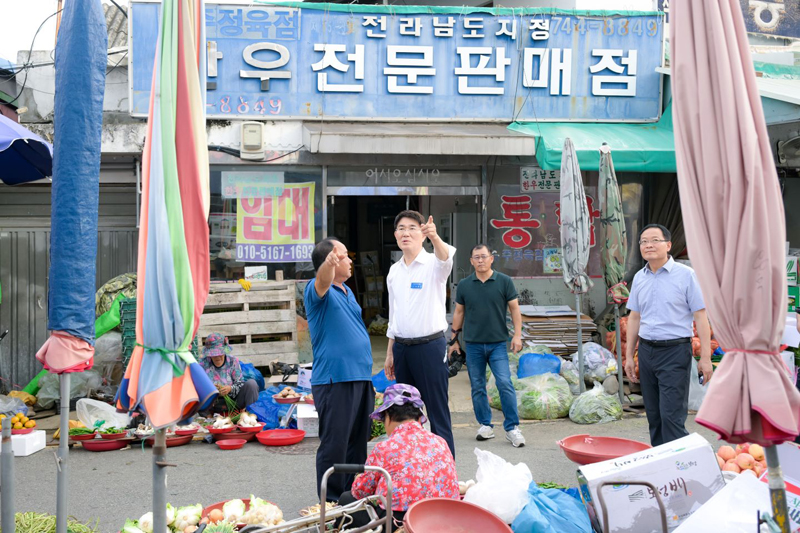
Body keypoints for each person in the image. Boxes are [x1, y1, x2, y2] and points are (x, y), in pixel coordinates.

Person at [624, 224, 713, 447]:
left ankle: (681, 470)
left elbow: (701, 317)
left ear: (668, 245)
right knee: (654, 416)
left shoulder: (686, 276)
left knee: (671, 417)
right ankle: (660, 466)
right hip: (646, 351)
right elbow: (634, 317)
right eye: (643, 241)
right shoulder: (639, 277)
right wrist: (628, 357)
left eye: (655, 240)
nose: (648, 245)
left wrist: (705, 358)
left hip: (674, 351)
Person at [305, 237, 375, 501]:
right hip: (336, 379)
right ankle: (331, 501)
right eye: (345, 256)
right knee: (335, 444)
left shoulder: (348, 291)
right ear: (331, 260)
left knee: (357, 444)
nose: (350, 260)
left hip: (360, 377)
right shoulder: (317, 291)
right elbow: (323, 280)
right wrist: (328, 265)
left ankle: (351, 496)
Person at [384, 210, 456, 457]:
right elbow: (394, 315)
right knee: (404, 413)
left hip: (429, 347)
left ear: (422, 234)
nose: (406, 233)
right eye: (401, 228)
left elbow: (446, 259)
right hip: (402, 349)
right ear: (395, 235)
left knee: (437, 410)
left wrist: (436, 238)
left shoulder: (434, 264)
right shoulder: (394, 271)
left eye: (412, 228)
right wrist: (390, 352)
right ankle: (411, 465)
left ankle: (446, 469)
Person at [339, 384, 459, 531]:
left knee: (346, 499)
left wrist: (360, 480)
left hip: (402, 524)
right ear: (418, 417)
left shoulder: (385, 447)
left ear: (388, 416)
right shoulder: (441, 442)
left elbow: (360, 492)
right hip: (444, 519)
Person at [449, 244, 526, 447]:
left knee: (504, 383)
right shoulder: (465, 285)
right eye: (476, 257)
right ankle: (485, 425)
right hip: (473, 344)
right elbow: (459, 312)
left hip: (498, 343)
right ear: (471, 261)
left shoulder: (504, 281)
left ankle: (512, 428)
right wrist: (453, 339)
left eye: (484, 256)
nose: (480, 260)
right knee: (477, 386)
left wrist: (517, 335)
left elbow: (515, 310)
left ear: (492, 259)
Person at [200, 333, 259, 412]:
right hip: (213, 404)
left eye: (220, 353)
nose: (217, 357)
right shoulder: (203, 364)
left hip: (234, 402)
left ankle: (250, 415)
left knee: (252, 384)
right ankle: (208, 417)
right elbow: (199, 386)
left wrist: (230, 389)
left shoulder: (232, 361)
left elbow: (240, 382)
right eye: (214, 354)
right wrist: (212, 390)